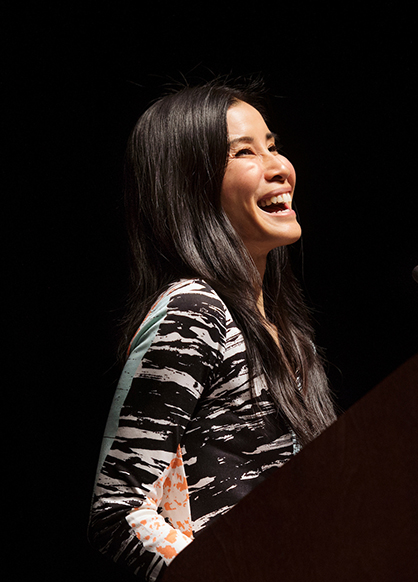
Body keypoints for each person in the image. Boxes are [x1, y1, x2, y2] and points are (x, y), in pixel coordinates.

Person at [88, 81, 337, 581]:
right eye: (244, 152)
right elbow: (119, 510)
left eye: (272, 145)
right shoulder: (195, 311)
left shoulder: (284, 329)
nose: (279, 167)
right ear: (191, 186)